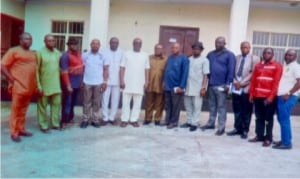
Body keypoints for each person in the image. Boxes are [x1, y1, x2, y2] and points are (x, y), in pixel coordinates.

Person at [1, 32, 37, 142]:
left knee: (23, 110)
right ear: (20, 40)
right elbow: (2, 66)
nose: (28, 41)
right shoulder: (13, 51)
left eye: (30, 39)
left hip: (29, 86)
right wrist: (12, 80)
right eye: (26, 39)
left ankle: (21, 129)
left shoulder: (32, 53)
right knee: (16, 110)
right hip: (18, 86)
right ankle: (14, 132)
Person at [201, 36, 236, 136]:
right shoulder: (210, 54)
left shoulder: (229, 55)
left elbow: (231, 70)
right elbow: (206, 69)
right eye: (216, 42)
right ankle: (211, 123)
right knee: (212, 106)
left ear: (224, 44)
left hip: (222, 85)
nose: (218, 44)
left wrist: (228, 84)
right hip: (211, 84)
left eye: (220, 43)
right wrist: (205, 84)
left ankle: (221, 127)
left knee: (221, 107)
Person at [249, 47, 282, 147]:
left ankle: (268, 138)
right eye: (264, 53)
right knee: (259, 117)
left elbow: (276, 83)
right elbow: (253, 81)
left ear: (272, 55)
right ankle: (259, 136)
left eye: (268, 53)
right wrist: (251, 94)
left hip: (268, 98)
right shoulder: (258, 65)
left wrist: (270, 97)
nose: (266, 54)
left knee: (268, 118)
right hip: (257, 96)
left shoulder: (277, 66)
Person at [226, 41, 260, 139]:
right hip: (236, 87)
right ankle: (237, 128)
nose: (245, 49)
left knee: (246, 110)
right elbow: (231, 71)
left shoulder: (255, 59)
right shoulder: (236, 58)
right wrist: (235, 81)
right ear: (240, 48)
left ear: (250, 48)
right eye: (243, 47)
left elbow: (253, 74)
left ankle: (245, 130)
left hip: (246, 87)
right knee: (237, 109)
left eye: (246, 47)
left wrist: (241, 83)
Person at [119, 38, 150, 128]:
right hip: (127, 82)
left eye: (139, 43)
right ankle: (124, 119)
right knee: (125, 103)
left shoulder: (145, 55)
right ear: (133, 44)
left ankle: (134, 120)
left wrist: (147, 81)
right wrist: (121, 80)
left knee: (137, 103)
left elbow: (147, 69)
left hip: (140, 83)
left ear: (141, 45)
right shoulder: (126, 54)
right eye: (135, 43)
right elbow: (122, 68)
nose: (137, 45)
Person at [273, 49, 300, 150]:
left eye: (291, 55)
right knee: (282, 119)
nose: (288, 57)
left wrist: (288, 93)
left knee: (284, 119)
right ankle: (285, 139)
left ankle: (287, 143)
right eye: (287, 55)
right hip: (281, 96)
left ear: (295, 57)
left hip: (288, 97)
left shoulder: (296, 67)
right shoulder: (286, 66)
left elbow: (299, 82)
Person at [180, 42, 209, 132]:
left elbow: (206, 75)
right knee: (188, 105)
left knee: (197, 106)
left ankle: (194, 123)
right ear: (192, 49)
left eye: (198, 49)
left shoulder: (205, 60)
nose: (196, 50)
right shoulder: (188, 59)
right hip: (187, 86)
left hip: (198, 87)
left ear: (201, 50)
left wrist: (203, 88)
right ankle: (189, 121)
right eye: (194, 49)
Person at [80, 39, 109, 128]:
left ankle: (95, 120)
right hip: (87, 81)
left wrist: (104, 82)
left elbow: (105, 69)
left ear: (99, 46)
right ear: (90, 45)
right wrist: (81, 81)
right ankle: (85, 119)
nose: (95, 46)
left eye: (97, 44)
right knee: (86, 102)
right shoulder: (85, 55)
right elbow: (82, 69)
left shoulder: (103, 56)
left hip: (98, 82)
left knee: (97, 102)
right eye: (93, 44)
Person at [36, 34, 62, 133]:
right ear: (45, 41)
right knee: (42, 106)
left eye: (53, 40)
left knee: (56, 105)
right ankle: (43, 125)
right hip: (44, 85)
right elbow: (36, 70)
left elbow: (59, 68)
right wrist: (38, 85)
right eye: (49, 41)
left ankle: (55, 124)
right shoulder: (40, 53)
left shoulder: (57, 53)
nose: (51, 42)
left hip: (56, 85)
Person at [163, 42, 189, 129]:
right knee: (168, 105)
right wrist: (164, 82)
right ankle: (167, 120)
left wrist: (181, 86)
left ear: (180, 48)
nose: (174, 49)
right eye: (173, 47)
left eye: (176, 47)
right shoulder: (170, 57)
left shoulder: (184, 58)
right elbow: (166, 70)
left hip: (176, 86)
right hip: (168, 85)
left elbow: (185, 73)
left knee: (175, 105)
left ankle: (174, 122)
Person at [60, 37, 84, 128]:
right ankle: (64, 121)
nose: (75, 46)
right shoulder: (65, 56)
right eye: (73, 44)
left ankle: (70, 118)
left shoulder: (79, 55)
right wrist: (68, 85)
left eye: (76, 44)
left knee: (73, 102)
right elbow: (64, 72)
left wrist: (81, 82)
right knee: (67, 103)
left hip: (77, 84)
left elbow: (81, 69)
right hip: (69, 84)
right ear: (69, 45)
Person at [143, 44, 167, 126]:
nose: (158, 50)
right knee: (148, 103)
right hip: (150, 84)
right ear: (154, 49)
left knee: (159, 104)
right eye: (156, 48)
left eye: (160, 49)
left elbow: (167, 72)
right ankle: (148, 118)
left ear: (162, 50)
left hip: (160, 84)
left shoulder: (166, 59)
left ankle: (157, 119)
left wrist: (165, 82)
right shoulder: (149, 58)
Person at [102, 37, 123, 126]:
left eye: (116, 43)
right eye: (112, 42)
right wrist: (103, 80)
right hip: (106, 80)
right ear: (109, 43)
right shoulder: (104, 52)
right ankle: (105, 118)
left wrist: (122, 80)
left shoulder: (122, 53)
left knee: (115, 100)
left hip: (117, 80)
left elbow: (123, 67)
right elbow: (103, 67)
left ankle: (112, 117)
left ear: (118, 44)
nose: (114, 44)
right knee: (104, 99)